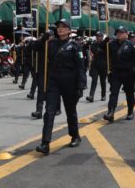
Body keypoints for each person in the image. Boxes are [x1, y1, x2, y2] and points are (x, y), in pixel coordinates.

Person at [35, 19, 86, 154]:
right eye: (58, 27)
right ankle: (45, 143)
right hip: (54, 82)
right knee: (49, 111)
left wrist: (81, 84)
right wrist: (43, 39)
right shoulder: (51, 43)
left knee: (70, 111)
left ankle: (75, 136)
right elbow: (34, 48)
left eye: (64, 27)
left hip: (70, 82)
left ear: (69, 30)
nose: (60, 29)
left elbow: (81, 66)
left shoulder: (75, 46)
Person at [104, 26, 135, 123]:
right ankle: (110, 112)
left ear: (126, 34)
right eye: (118, 33)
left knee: (129, 93)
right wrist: (104, 42)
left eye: (121, 32)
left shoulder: (131, 45)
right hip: (116, 73)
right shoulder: (111, 44)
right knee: (113, 93)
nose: (119, 34)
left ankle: (130, 111)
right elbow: (103, 52)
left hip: (128, 73)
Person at [86, 31, 107, 103]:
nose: (98, 37)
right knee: (94, 80)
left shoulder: (106, 44)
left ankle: (103, 95)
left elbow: (107, 51)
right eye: (97, 36)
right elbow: (95, 51)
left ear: (102, 37)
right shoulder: (93, 44)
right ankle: (91, 96)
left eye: (100, 36)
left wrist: (106, 43)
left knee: (102, 81)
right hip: (95, 64)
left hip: (103, 65)